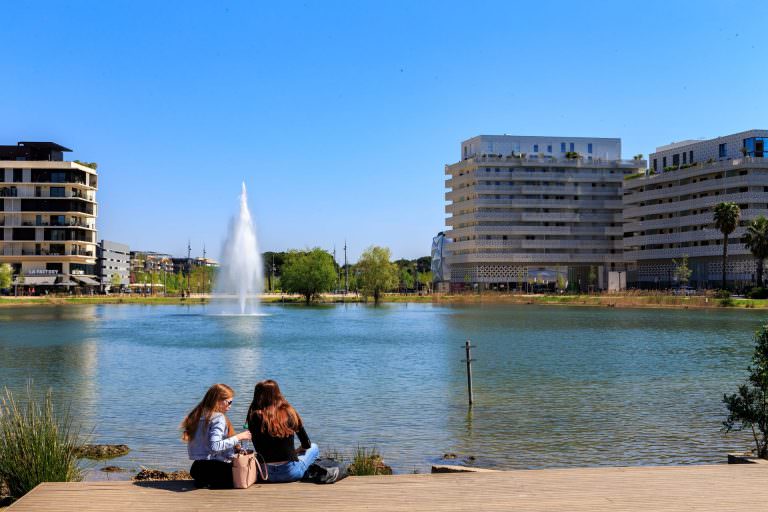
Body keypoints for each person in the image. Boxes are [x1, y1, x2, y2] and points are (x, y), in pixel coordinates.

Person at [246, 379, 319, 483]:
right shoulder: (288, 412)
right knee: (314, 447)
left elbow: (257, 444)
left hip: (264, 474)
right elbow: (306, 444)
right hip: (290, 473)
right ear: (277, 393)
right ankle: (307, 472)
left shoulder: (253, 416)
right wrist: (296, 451)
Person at [182, 383, 252, 488]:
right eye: (229, 402)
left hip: (197, 468)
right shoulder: (218, 417)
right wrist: (239, 437)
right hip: (218, 469)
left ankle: (206, 482)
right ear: (218, 401)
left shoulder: (197, 415)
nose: (230, 406)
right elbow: (215, 446)